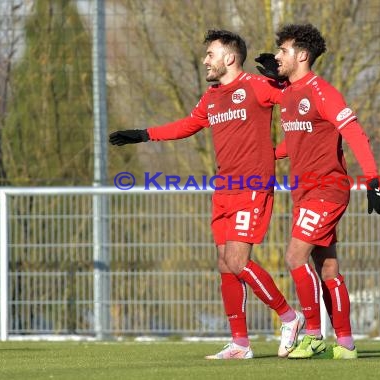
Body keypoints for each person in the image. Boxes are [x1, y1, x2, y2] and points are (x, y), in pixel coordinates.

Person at [109, 30, 304, 360]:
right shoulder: (212, 97)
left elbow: (301, 104)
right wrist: (144, 134)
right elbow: (188, 125)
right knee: (225, 266)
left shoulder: (257, 86)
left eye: (210, 54)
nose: (205, 60)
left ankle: (289, 316)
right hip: (224, 189)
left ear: (229, 57)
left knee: (238, 261)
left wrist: (284, 82)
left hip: (253, 187)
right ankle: (240, 344)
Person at [257, 23, 380, 359]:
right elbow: (293, 144)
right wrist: (255, 160)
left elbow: (356, 134)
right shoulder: (288, 94)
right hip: (305, 192)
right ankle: (345, 344)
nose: (277, 57)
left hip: (328, 190)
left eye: (283, 51)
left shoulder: (322, 92)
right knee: (328, 268)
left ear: (302, 55)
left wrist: (373, 181)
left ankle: (314, 334)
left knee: (294, 257)